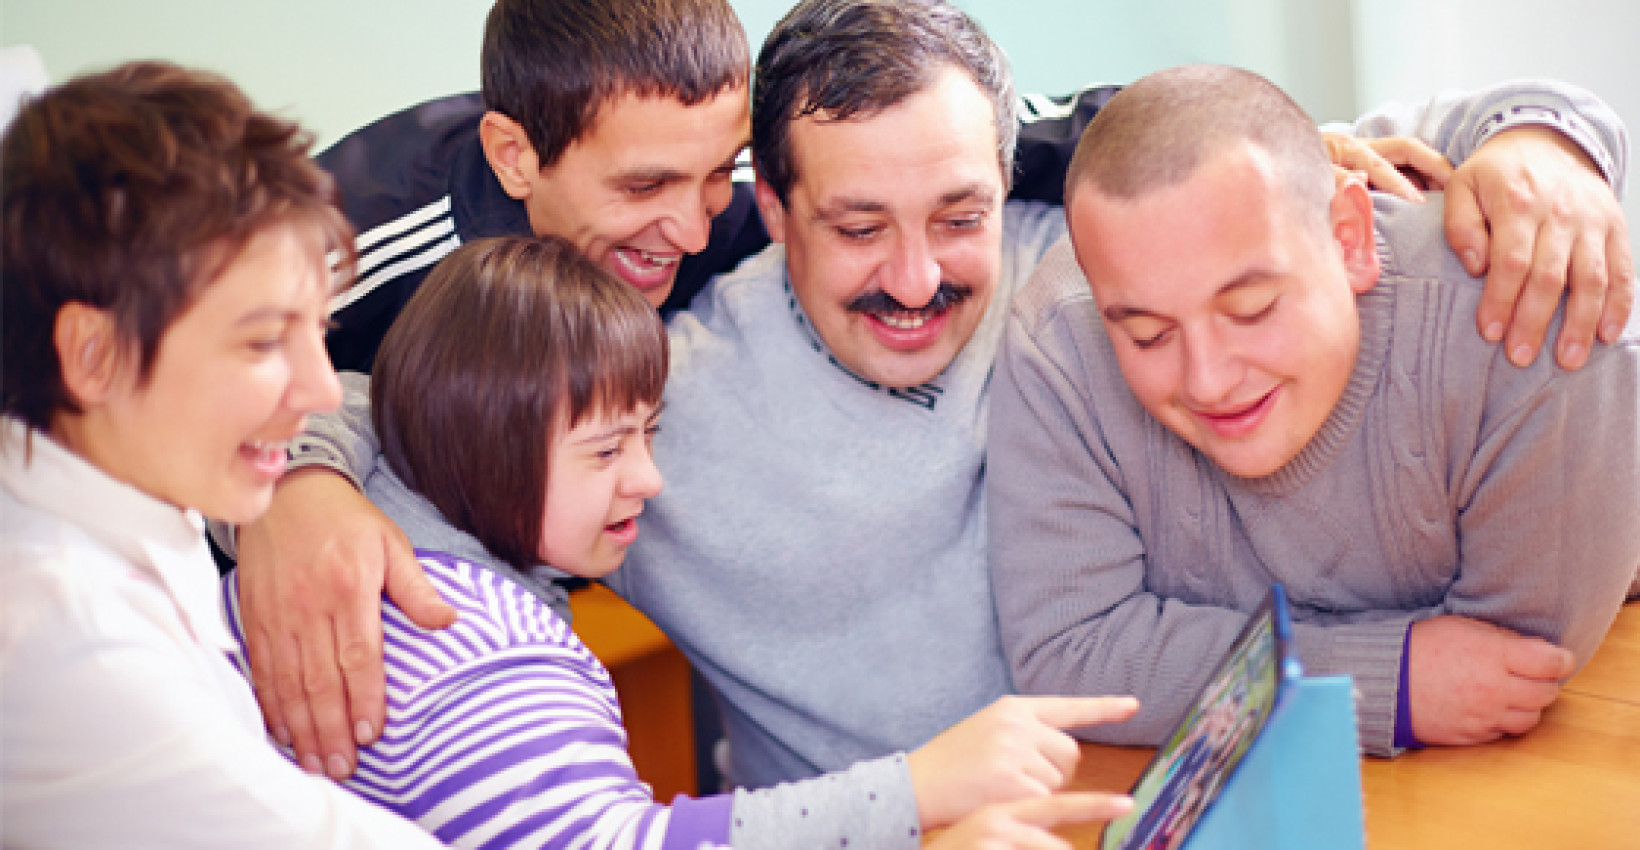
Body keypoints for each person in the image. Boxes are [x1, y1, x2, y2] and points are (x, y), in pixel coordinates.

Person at [237, 0, 1634, 793]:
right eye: (856, 229)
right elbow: (402, 411)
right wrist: (302, 477)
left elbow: (1360, 149)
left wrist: (1545, 147)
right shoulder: (649, 383)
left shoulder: (1084, 243)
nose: (917, 277)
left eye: (955, 213)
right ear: (766, 211)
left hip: (1223, 788)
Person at [222, 233, 1141, 848]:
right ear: (483, 441)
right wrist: (922, 793)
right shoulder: (464, 647)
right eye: (608, 449)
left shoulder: (395, 516)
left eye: (648, 436)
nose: (648, 481)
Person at [985, 64, 1640, 759]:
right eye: (1148, 335)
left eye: (1251, 309)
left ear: (1350, 240)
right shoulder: (1058, 335)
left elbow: (1508, 671)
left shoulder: (1533, 325)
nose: (1207, 382)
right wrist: (1374, 680)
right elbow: (1070, 652)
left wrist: (1543, 135)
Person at [0, 62, 443, 848]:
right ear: (92, 353)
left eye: (320, 332)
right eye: (265, 340)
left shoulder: (125, 492)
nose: (321, 392)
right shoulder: (77, 648)